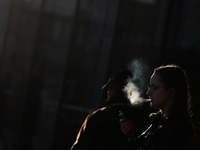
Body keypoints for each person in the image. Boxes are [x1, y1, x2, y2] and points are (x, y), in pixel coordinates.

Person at [71, 69, 151, 150]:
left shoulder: (97, 118)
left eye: (109, 88)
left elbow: (79, 147)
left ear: (114, 89)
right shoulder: (144, 119)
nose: (108, 92)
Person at [120, 64, 194, 150]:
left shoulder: (179, 130)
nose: (148, 93)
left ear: (171, 91)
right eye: (150, 87)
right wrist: (131, 138)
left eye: (155, 88)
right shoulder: (157, 121)